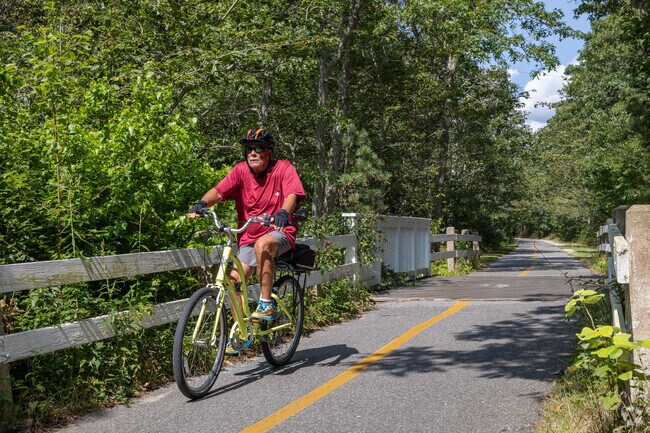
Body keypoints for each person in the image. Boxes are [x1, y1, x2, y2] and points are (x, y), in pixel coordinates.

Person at [188, 127, 305, 352]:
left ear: (268, 151)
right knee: (231, 282)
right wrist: (202, 203)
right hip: (248, 237)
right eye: (249, 149)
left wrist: (283, 213)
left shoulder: (283, 168)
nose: (252, 153)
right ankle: (242, 331)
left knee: (264, 244)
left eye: (258, 148)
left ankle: (266, 304)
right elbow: (219, 191)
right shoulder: (241, 171)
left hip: (279, 232)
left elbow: (292, 194)